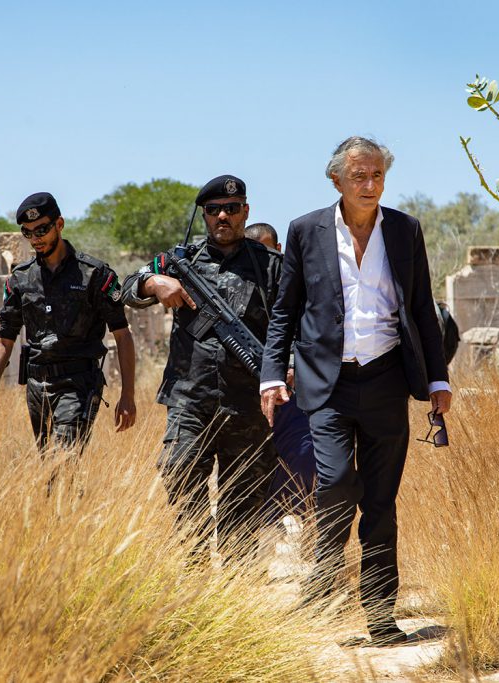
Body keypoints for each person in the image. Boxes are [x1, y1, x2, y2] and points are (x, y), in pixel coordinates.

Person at [261, 137, 452, 646]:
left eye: (377, 176)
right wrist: (272, 373)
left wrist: (438, 378)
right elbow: (285, 309)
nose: (370, 185)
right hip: (327, 382)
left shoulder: (406, 230)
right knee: (337, 482)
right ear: (337, 181)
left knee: (382, 503)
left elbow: (421, 309)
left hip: (388, 378)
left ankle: (380, 614)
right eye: (360, 177)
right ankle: (325, 582)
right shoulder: (306, 231)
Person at [122, 175, 281, 559]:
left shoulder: (271, 266)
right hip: (189, 400)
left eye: (231, 208)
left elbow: (292, 325)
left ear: (246, 211)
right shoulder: (178, 260)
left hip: (247, 403)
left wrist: (285, 368)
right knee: (178, 475)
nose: (222, 216)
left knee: (242, 502)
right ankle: (192, 577)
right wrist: (154, 284)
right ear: (204, 215)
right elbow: (124, 287)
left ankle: (236, 595)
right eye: (213, 210)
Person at [0, 192, 136, 450]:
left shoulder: (94, 274)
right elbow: (4, 340)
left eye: (42, 230)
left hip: (78, 383)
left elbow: (122, 335)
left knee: (63, 459)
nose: (36, 239)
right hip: (36, 386)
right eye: (28, 233)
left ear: (59, 224)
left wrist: (127, 395)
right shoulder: (21, 278)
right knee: (49, 468)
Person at [245, 222, 316, 516]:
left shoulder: (299, 283)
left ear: (279, 250)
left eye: (268, 250)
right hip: (251, 394)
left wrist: (291, 365)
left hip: (293, 393)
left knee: (304, 462)